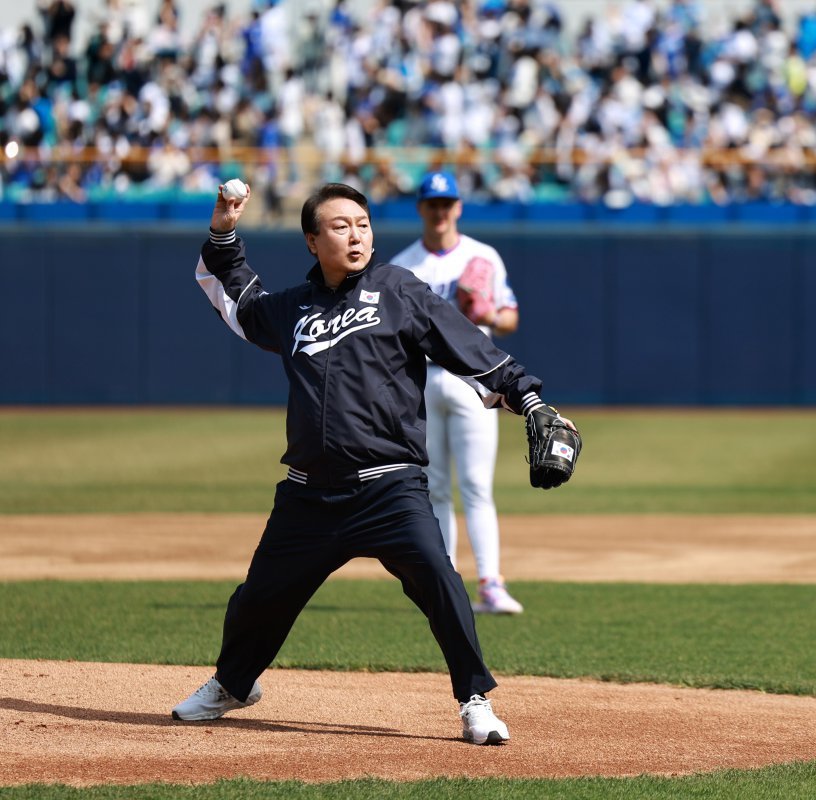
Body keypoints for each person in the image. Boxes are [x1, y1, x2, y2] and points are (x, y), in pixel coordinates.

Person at [171, 180, 578, 745]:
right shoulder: (292, 308)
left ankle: (474, 700)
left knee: (440, 582)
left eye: (362, 224)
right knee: (257, 599)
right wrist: (223, 228)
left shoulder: (399, 291)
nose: (356, 234)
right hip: (309, 495)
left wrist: (528, 397)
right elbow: (237, 295)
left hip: (389, 488)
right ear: (313, 241)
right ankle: (233, 685)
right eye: (340, 226)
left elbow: (470, 348)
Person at [387, 172, 525, 615]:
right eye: (433, 203)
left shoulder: (483, 256)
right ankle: (442, 584)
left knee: (475, 485)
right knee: (436, 487)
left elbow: (509, 318)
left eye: (447, 202)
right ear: (421, 208)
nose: (441, 210)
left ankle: (490, 583)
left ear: (459, 206)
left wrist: (488, 313)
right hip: (423, 379)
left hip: (474, 379)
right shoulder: (402, 265)